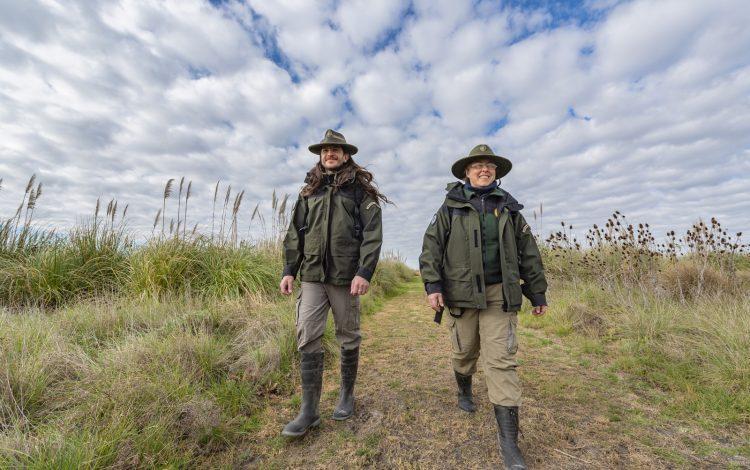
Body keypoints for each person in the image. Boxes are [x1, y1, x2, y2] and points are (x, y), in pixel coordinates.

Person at [419, 144, 548, 469]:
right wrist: (433, 286)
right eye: (477, 165)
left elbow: (528, 253)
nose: (484, 170)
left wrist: (537, 293)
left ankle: (510, 447)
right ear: (466, 172)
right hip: (460, 295)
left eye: (489, 166)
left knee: (501, 360)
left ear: (496, 173)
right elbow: (431, 247)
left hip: (499, 295)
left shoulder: (510, 209)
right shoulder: (450, 207)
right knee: (464, 351)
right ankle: (464, 389)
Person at [280, 129, 386, 437]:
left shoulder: (360, 192)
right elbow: (295, 232)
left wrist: (364, 272)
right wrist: (289, 269)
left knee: (348, 336)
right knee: (307, 335)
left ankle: (346, 395)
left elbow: (372, 235)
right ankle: (309, 410)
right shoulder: (308, 191)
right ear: (320, 154)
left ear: (346, 154)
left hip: (346, 277)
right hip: (312, 275)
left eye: (336, 150)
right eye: (326, 150)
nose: (331, 153)